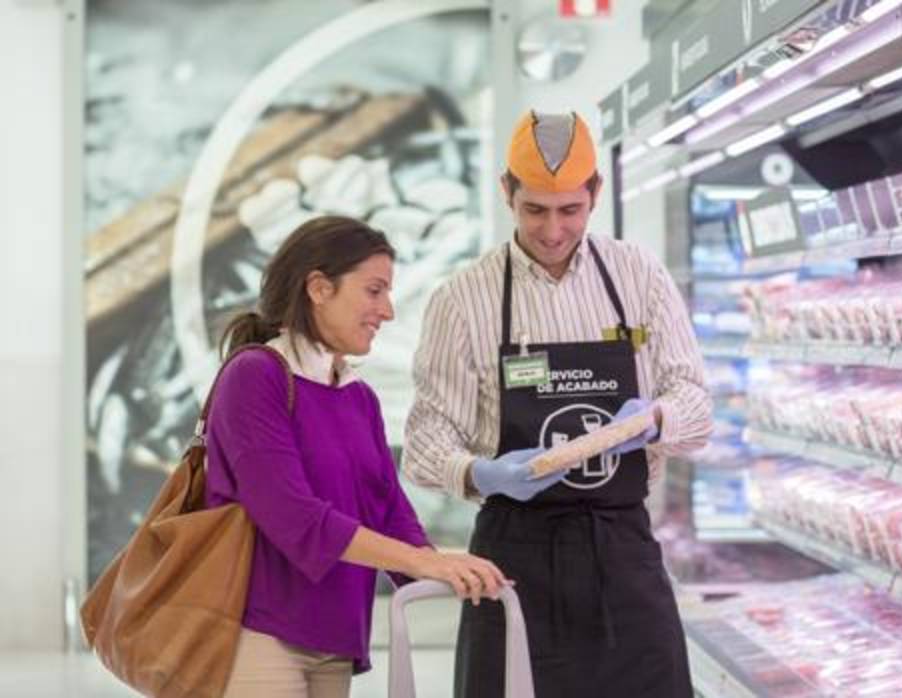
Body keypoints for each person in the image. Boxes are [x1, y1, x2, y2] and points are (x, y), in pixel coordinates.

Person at [403, 110, 713, 697]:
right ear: (506, 193)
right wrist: (477, 471)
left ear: (595, 193)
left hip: (621, 548)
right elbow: (425, 440)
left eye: (570, 209)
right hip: (513, 556)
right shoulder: (464, 298)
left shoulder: (636, 274)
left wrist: (653, 423)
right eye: (534, 210)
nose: (551, 230)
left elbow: (694, 400)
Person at [205, 215, 508, 698]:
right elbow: (293, 516)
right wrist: (422, 562)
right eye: (374, 291)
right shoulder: (255, 376)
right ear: (319, 288)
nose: (386, 310)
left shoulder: (356, 395)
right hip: (260, 628)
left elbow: (386, 507)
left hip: (337, 633)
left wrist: (444, 566)